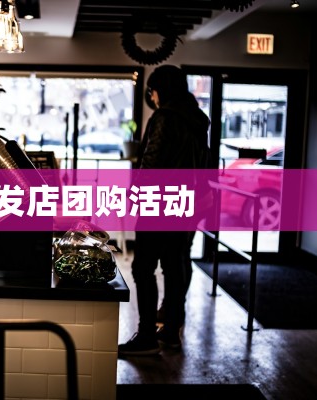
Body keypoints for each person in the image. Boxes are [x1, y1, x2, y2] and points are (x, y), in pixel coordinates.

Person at [119, 65, 211, 356]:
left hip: (159, 203)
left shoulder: (164, 117)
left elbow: (152, 163)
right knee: (175, 265)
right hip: (187, 204)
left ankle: (146, 336)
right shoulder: (197, 120)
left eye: (153, 91)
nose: (153, 97)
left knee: (142, 268)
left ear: (161, 90)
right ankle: (171, 331)